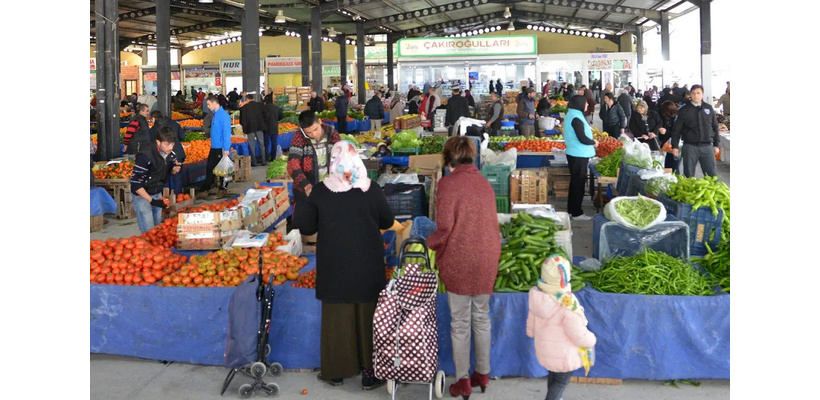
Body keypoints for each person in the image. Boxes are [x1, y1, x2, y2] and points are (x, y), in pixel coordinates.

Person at [293, 141, 394, 390]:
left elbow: (305, 227)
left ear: (332, 161)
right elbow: (388, 219)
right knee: (369, 317)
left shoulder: (320, 190)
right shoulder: (371, 188)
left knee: (337, 318)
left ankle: (336, 372)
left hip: (334, 266)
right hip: (368, 265)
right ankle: (370, 373)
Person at [426, 137, 500, 399]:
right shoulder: (484, 184)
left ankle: (462, 381)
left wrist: (429, 243)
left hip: (460, 258)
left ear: (448, 159)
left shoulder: (448, 184)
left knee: (459, 323)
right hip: (487, 257)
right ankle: (483, 374)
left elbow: (444, 228)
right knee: (481, 317)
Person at [527, 255, 597, 400]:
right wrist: (590, 340)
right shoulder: (567, 303)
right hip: (564, 354)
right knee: (560, 382)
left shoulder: (538, 295)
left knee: (553, 377)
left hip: (546, 350)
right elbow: (576, 333)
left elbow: (531, 319)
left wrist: (531, 332)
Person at [288, 111, 341, 217]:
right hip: (305, 192)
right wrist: (306, 185)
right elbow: (292, 165)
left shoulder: (332, 134)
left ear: (320, 121)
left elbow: (341, 158)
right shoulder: (299, 137)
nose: (314, 134)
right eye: (309, 133)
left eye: (315, 129)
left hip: (331, 190)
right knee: (305, 227)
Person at [129, 127, 181, 232]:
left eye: (172, 144)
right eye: (167, 144)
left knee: (158, 229)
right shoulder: (145, 156)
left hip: (157, 192)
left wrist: (174, 169)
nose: (171, 147)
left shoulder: (170, 154)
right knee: (149, 230)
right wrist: (152, 201)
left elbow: (163, 170)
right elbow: (136, 184)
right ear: (158, 142)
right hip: (142, 196)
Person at [670, 85, 720, 178]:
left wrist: (716, 144)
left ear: (702, 95)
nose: (696, 96)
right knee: (689, 175)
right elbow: (676, 130)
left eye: (698, 93)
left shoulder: (708, 108)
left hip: (707, 146)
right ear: (690, 95)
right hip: (690, 147)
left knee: (712, 175)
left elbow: (715, 127)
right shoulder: (683, 110)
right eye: (693, 93)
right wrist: (675, 146)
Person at [564, 95, 599, 221]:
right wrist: (593, 142)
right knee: (578, 184)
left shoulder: (572, 114)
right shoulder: (576, 117)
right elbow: (582, 138)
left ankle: (571, 210)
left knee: (575, 183)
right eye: (586, 103)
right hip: (578, 154)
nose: (587, 105)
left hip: (575, 153)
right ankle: (576, 213)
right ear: (579, 103)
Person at [197, 95, 232, 199]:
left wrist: (226, 149)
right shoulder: (215, 115)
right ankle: (206, 189)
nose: (207, 107)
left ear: (214, 103)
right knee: (210, 168)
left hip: (221, 148)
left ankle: (223, 188)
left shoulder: (224, 116)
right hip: (214, 147)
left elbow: (227, 133)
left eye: (208, 104)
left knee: (223, 170)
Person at [149, 110, 187, 192]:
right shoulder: (174, 123)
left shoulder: (154, 129)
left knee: (165, 177)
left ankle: (167, 199)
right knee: (177, 177)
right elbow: (182, 136)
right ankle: (178, 198)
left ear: (154, 118)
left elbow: (152, 144)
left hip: (163, 156)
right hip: (177, 152)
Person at [239, 94, 268, 167]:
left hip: (250, 128)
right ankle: (263, 161)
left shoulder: (244, 108)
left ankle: (254, 162)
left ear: (247, 99)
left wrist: (244, 130)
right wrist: (263, 123)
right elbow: (266, 115)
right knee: (261, 144)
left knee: (252, 145)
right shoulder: (260, 105)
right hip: (259, 127)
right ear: (253, 98)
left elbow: (242, 120)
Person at [658, 100, 680, 173]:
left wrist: (666, 132)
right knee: (667, 164)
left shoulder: (677, 118)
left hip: (674, 144)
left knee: (674, 165)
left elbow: (677, 132)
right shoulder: (665, 117)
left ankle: (676, 179)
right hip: (666, 144)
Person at [263, 97, 284, 162]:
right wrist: (276, 120)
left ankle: (265, 158)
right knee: (274, 143)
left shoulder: (264, 108)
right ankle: (273, 157)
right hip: (275, 127)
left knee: (266, 144)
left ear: (265, 101)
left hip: (266, 128)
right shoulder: (277, 107)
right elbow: (282, 116)